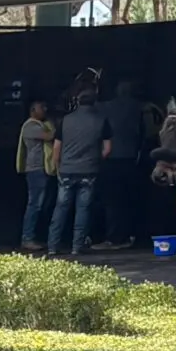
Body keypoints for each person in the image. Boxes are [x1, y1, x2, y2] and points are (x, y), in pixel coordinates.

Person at [49, 91, 111, 257]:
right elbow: (107, 149)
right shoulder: (101, 120)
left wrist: (58, 166)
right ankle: (77, 246)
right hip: (89, 170)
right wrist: (95, 160)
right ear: (94, 103)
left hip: (67, 170)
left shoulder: (65, 120)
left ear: (77, 102)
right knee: (83, 209)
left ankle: (52, 246)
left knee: (61, 207)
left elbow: (56, 148)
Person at [98, 79, 151, 250]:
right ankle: (130, 235)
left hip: (111, 159)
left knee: (112, 201)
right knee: (129, 199)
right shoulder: (140, 108)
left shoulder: (105, 107)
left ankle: (113, 238)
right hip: (131, 158)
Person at [17, 100, 56, 253]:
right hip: (35, 170)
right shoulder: (30, 126)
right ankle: (27, 238)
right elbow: (50, 136)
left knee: (43, 204)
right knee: (35, 204)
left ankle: (37, 236)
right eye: (42, 107)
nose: (45, 109)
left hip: (43, 170)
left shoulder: (42, 124)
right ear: (33, 110)